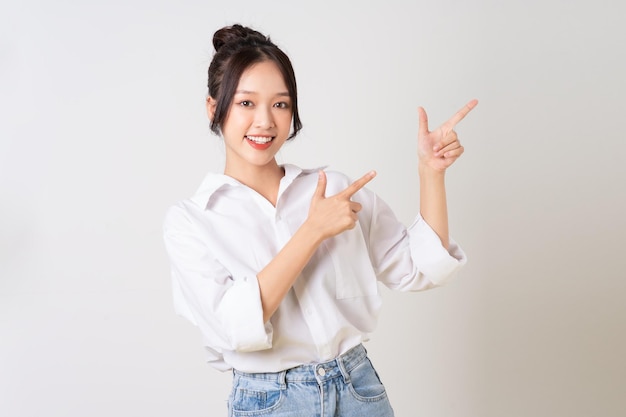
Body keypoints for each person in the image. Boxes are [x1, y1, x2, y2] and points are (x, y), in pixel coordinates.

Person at [163, 23, 477, 417]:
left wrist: (431, 173)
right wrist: (312, 231)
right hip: (270, 401)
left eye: (280, 104)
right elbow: (234, 327)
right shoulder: (192, 222)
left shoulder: (334, 190)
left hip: (358, 389)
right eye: (246, 103)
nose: (264, 121)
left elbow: (419, 269)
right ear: (214, 107)